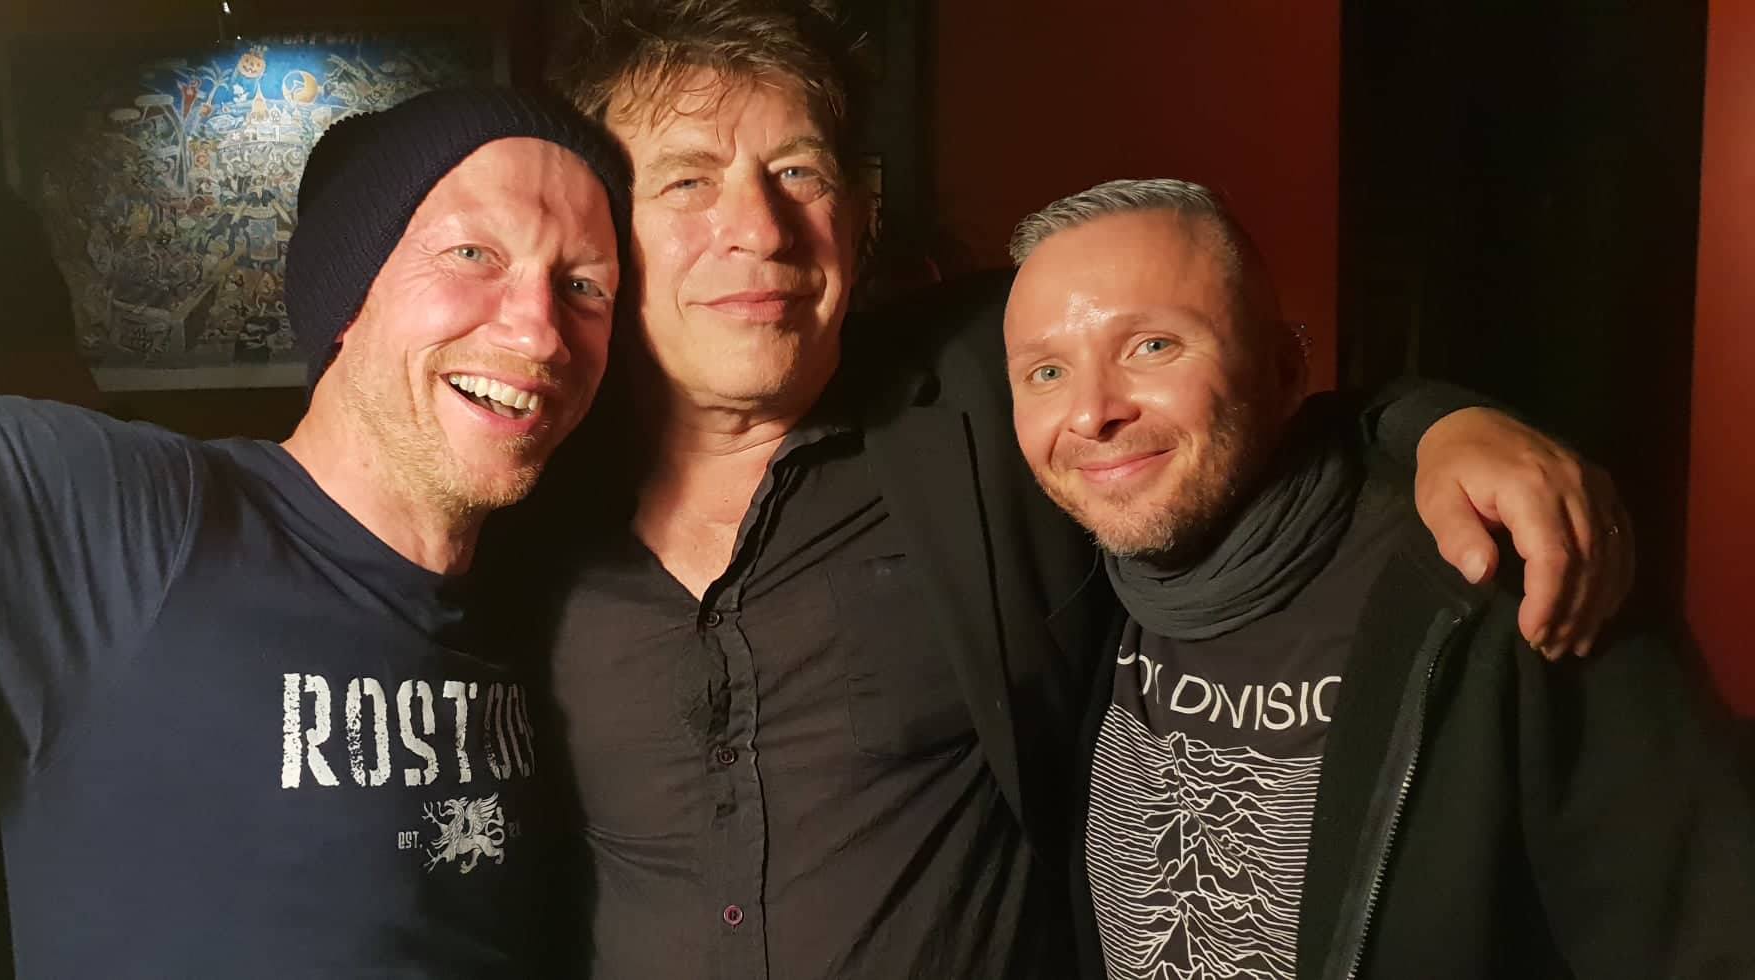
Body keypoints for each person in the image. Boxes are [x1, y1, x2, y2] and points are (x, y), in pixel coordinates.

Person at [471, 3, 1636, 977]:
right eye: (686, 180)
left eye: (798, 171)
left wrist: (1438, 423)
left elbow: (1218, 385)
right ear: (606, 231)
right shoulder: (520, 481)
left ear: (857, 219)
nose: (757, 228)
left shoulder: (989, 380)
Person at [0, 86, 630, 977]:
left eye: (584, 286)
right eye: (473, 253)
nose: (542, 334)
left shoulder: (544, 603)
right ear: (351, 295)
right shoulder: (137, 522)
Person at [1005, 178, 1755, 979]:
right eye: (1046, 372)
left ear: (1284, 369)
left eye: (1152, 346)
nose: (1091, 413)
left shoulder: (1497, 575)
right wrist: (1434, 417)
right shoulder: (1072, 586)